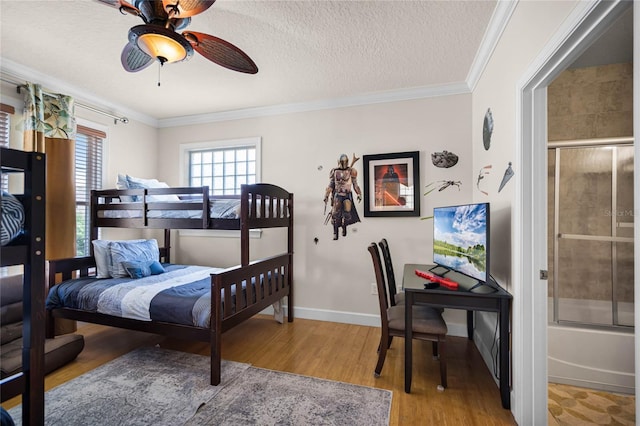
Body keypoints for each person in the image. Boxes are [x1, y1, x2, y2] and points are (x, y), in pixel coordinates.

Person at [324, 153, 362, 240]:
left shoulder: (351, 171)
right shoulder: (334, 171)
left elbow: (355, 184)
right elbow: (331, 185)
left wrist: (359, 193)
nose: (343, 163)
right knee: (335, 214)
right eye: (342, 162)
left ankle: (344, 226)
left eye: (344, 162)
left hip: (347, 194)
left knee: (347, 213)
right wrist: (326, 195)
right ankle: (335, 231)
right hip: (338, 194)